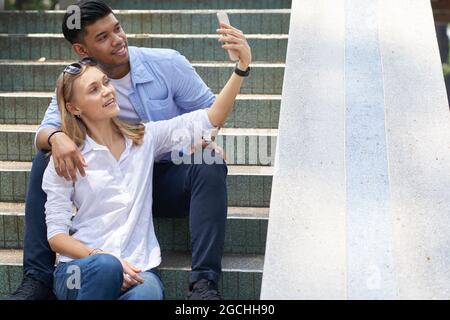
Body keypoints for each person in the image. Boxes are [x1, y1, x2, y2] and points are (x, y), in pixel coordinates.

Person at [7, 0, 251, 300]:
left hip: (162, 174)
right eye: (102, 37)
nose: (118, 40)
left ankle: (203, 285)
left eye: (117, 29)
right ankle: (37, 278)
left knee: (209, 160)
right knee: (46, 158)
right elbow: (46, 129)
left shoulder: (166, 65)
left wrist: (241, 69)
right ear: (83, 52)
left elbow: (209, 116)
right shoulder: (80, 81)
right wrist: (58, 137)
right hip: (103, 184)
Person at [45, 58, 238, 300]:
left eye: (106, 83)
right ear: (74, 108)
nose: (107, 92)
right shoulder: (67, 158)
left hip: (139, 268)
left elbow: (211, 118)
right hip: (79, 268)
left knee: (148, 294)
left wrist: (241, 69)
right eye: (94, 90)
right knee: (106, 268)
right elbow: (56, 237)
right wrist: (106, 259)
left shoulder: (144, 139)